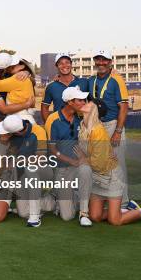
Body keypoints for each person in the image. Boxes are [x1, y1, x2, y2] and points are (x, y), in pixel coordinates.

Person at [74, 99, 141, 225]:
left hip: (111, 177)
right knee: (95, 216)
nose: (84, 103)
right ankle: (127, 210)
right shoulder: (83, 125)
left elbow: (98, 162)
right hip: (97, 177)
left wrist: (83, 159)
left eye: (88, 103)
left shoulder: (98, 131)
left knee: (115, 220)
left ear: (94, 110)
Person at [44, 86, 93, 226]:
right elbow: (52, 150)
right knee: (67, 216)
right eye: (80, 100)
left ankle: (84, 213)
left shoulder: (82, 118)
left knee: (86, 170)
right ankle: (57, 196)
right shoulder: (53, 119)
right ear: (70, 102)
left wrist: (83, 158)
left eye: (84, 99)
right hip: (61, 170)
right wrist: (71, 161)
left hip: (78, 167)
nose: (84, 102)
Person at [87, 50, 130, 207]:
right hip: (97, 126)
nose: (101, 63)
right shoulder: (90, 80)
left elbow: (124, 107)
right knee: (99, 164)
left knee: (117, 164)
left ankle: (124, 203)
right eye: (98, 60)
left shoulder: (116, 80)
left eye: (104, 60)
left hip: (112, 125)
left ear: (110, 62)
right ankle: (105, 200)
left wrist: (118, 131)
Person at [0, 114, 54, 227]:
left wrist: (17, 161)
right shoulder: (13, 134)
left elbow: (41, 158)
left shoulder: (38, 131)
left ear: (17, 132)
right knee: (23, 213)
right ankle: (52, 201)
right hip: (23, 176)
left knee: (30, 169)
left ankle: (34, 216)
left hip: (43, 171)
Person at [0, 53, 35, 139]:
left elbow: (32, 101)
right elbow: (4, 109)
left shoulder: (11, 77)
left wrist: (26, 72)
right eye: (10, 65)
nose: (10, 67)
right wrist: (26, 105)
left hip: (12, 121)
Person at [41, 53, 88, 122]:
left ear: (71, 64)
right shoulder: (51, 86)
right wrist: (49, 126)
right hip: (59, 126)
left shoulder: (84, 82)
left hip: (80, 125)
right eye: (61, 63)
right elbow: (44, 108)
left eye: (67, 62)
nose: (64, 65)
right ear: (57, 66)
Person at [0, 55, 37, 123]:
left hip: (19, 116)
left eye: (13, 66)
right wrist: (27, 72)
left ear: (22, 66)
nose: (9, 67)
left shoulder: (17, 78)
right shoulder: (25, 78)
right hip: (23, 115)